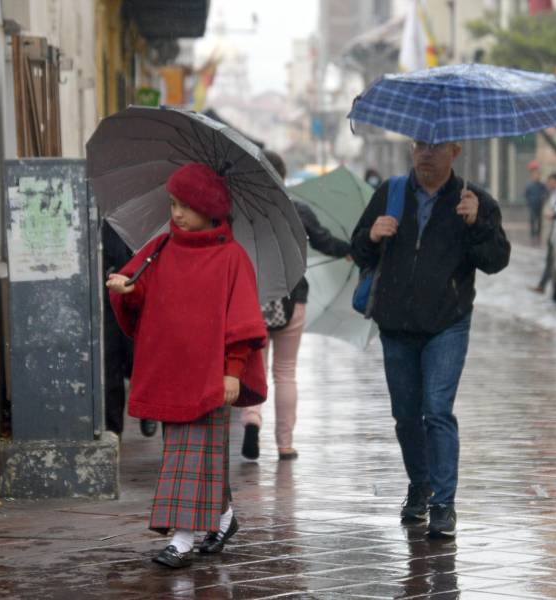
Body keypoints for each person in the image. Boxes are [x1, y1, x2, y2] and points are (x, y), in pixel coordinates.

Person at [107, 163, 268, 569]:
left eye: (186, 206)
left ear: (210, 209)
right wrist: (125, 291)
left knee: (187, 455)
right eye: (174, 204)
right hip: (170, 372)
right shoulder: (160, 248)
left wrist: (233, 369)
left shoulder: (232, 258)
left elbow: (244, 321)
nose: (176, 213)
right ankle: (224, 518)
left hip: (210, 376)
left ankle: (181, 540)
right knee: (194, 453)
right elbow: (139, 295)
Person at [351, 140, 510, 538]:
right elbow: (358, 250)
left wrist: (478, 224)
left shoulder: (474, 199)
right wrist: (372, 235)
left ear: (454, 152)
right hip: (396, 325)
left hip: (447, 323)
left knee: (437, 410)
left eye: (436, 146)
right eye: (420, 144)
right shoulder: (390, 192)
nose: (426, 153)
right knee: (406, 416)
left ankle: (444, 503)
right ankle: (420, 485)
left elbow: (496, 260)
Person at [240, 150, 351, 462]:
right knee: (285, 373)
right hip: (292, 299)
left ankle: (251, 420)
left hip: (253, 301)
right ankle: (285, 444)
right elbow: (325, 242)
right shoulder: (296, 211)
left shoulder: (246, 213)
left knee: (254, 367)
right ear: (283, 177)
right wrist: (351, 250)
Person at [101, 221, 157, 438]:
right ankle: (114, 429)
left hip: (142, 295)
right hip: (109, 295)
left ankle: (148, 410)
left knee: (140, 358)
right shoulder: (108, 217)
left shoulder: (151, 221)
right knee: (111, 361)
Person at [531, 172, 556, 294]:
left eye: (550, 181)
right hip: (554, 232)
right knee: (550, 259)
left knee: (555, 260)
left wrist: (553, 215)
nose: (548, 184)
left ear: (555, 181)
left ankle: (545, 285)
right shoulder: (552, 194)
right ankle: (543, 285)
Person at [524, 160, 549, 244]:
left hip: (540, 205)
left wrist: (543, 199)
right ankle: (532, 236)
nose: (536, 176)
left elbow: (546, 193)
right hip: (532, 206)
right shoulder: (529, 185)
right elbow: (526, 194)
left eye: (537, 175)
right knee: (532, 221)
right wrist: (529, 202)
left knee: (539, 222)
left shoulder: (542, 185)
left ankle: (538, 236)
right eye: (534, 175)